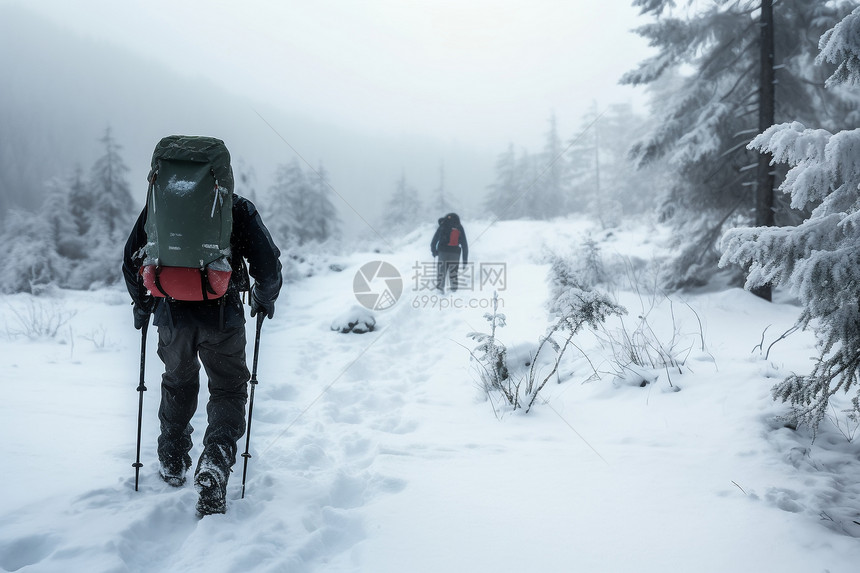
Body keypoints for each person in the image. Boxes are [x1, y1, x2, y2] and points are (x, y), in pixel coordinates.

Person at [122, 191, 282, 515]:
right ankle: (215, 463)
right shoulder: (236, 208)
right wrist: (264, 298)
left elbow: (131, 259)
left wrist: (142, 305)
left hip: (172, 316)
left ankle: (172, 461)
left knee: (177, 384)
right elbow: (268, 265)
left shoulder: (162, 202)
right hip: (223, 318)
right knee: (228, 390)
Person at [430, 212, 468, 292]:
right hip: (455, 253)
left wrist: (434, 252)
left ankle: (440, 291)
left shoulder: (443, 225)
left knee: (441, 272)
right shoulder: (459, 226)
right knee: (453, 273)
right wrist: (465, 261)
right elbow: (464, 244)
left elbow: (434, 240)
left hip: (442, 252)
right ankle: (454, 291)